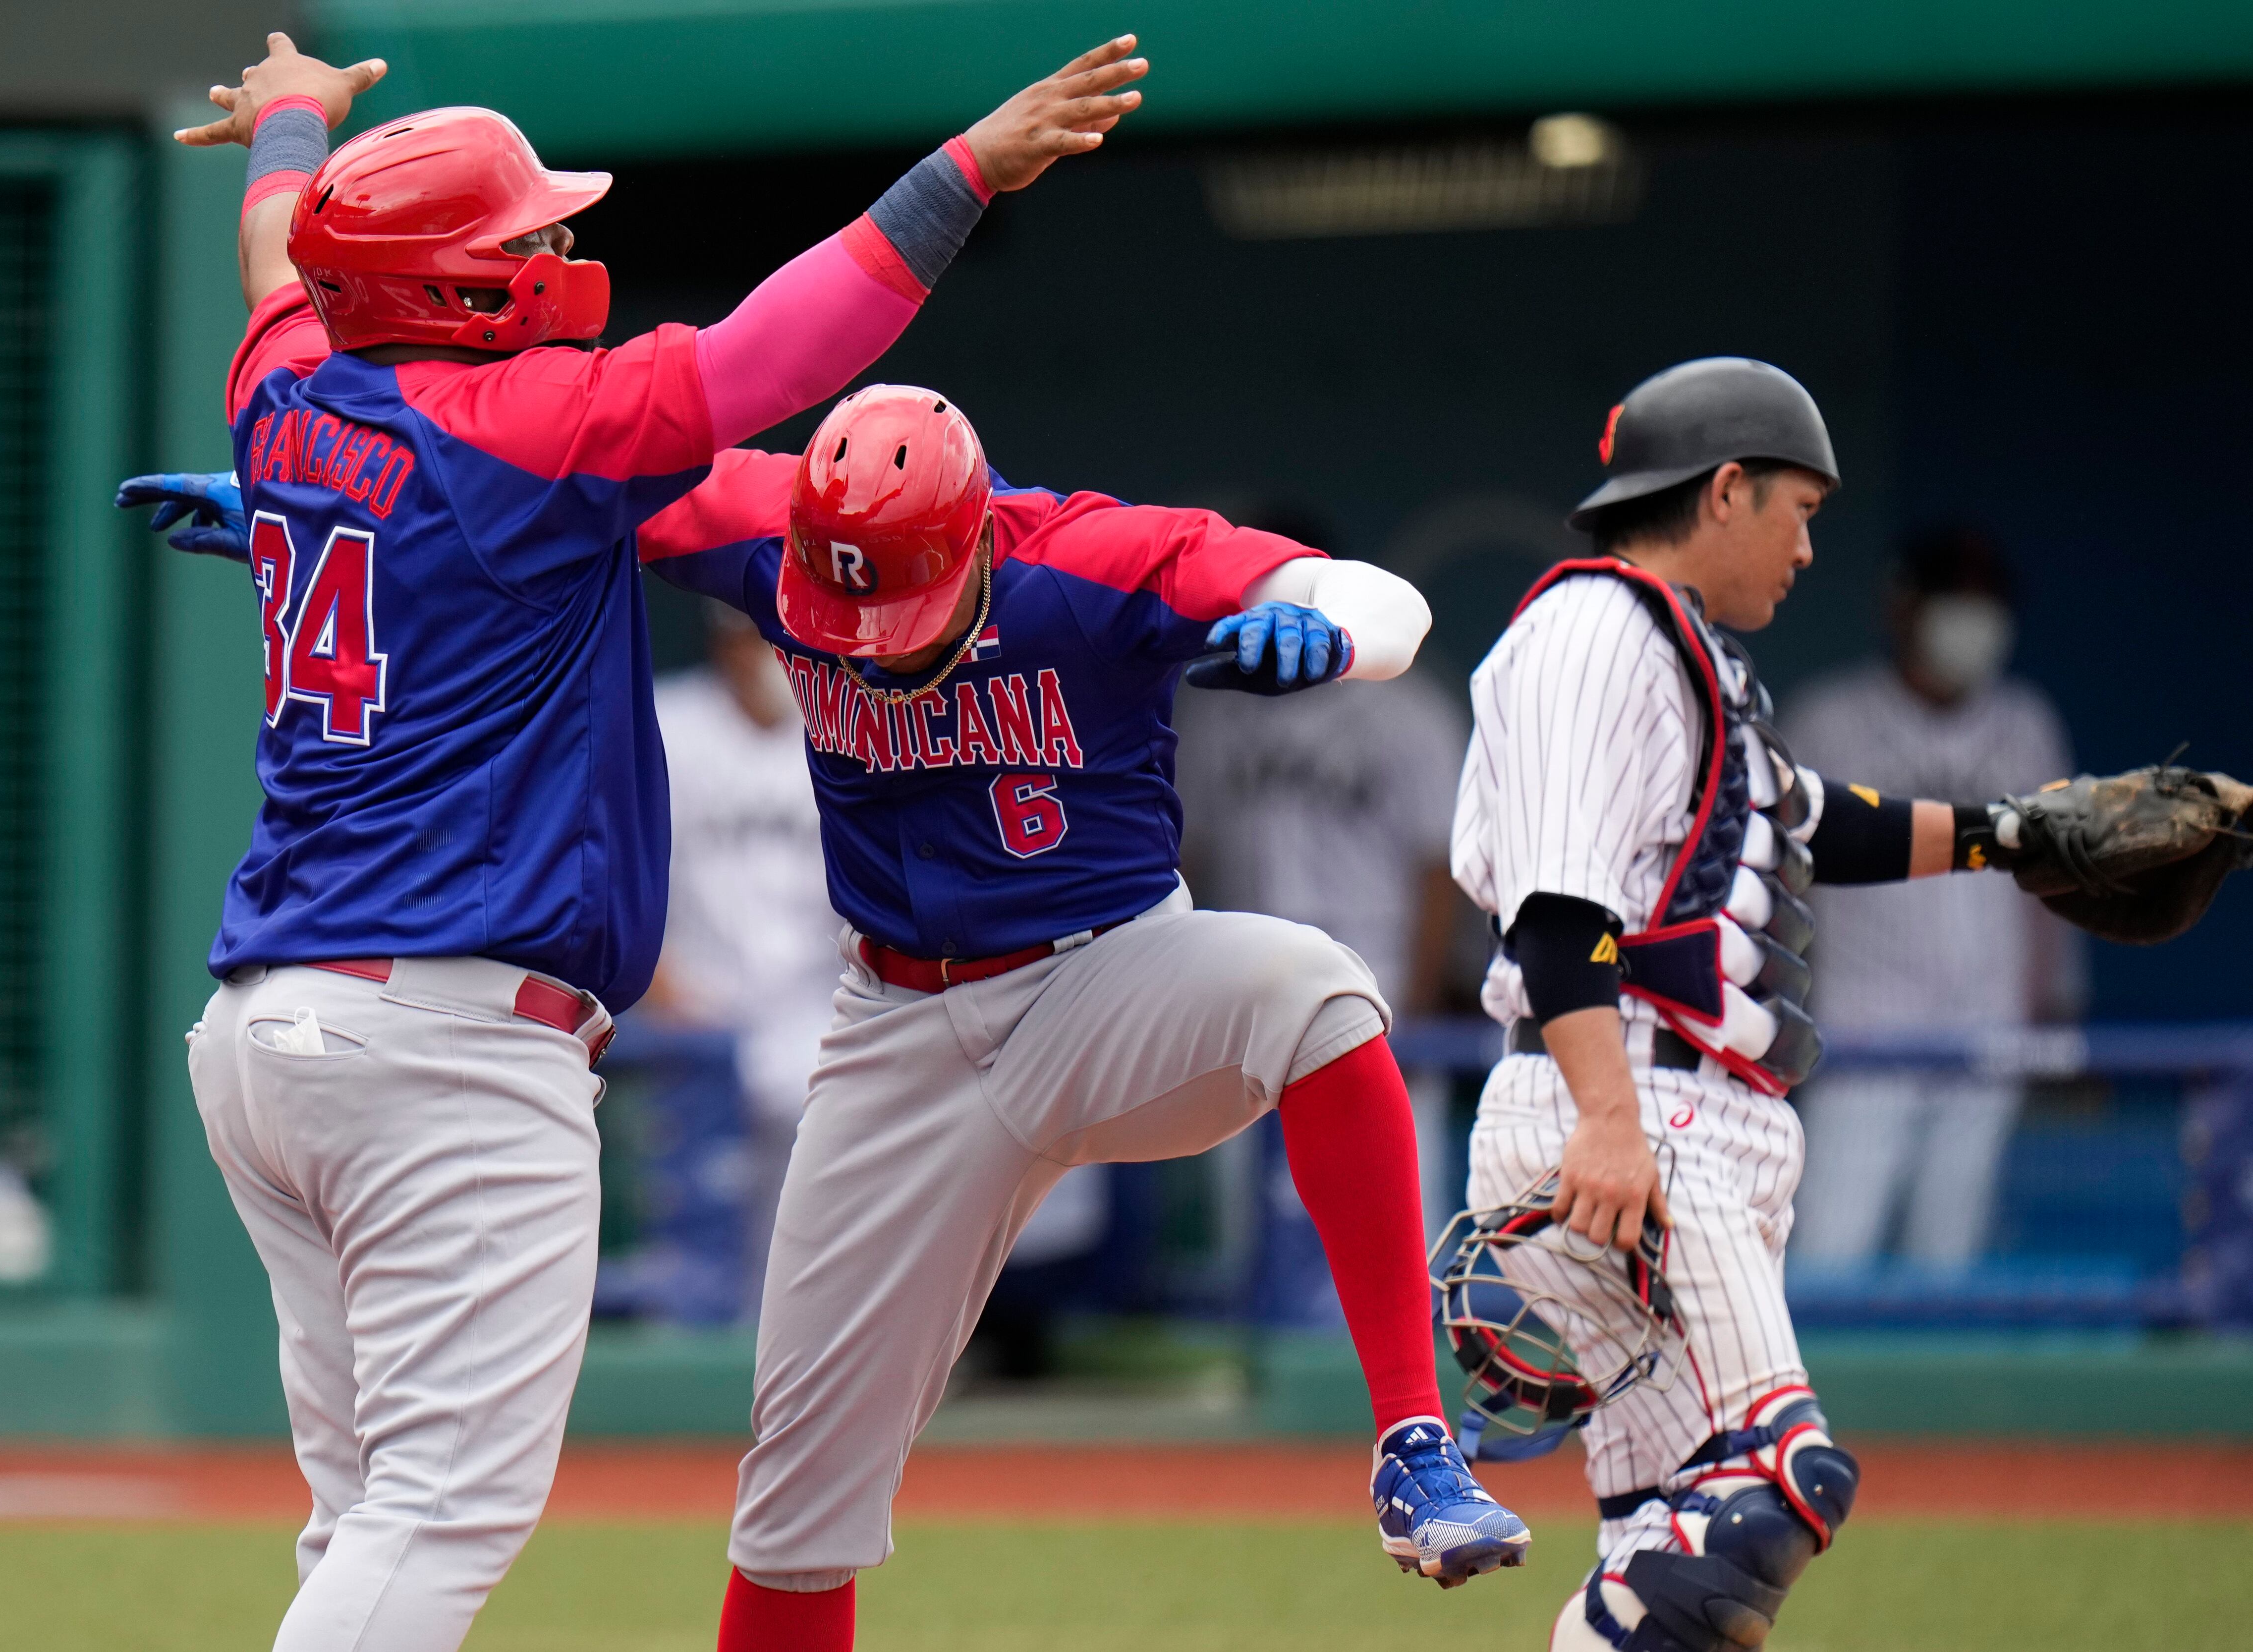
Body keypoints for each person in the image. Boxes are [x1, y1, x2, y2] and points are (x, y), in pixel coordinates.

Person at [121, 32, 1149, 1652]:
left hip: (272, 1028)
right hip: (442, 1041)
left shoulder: (280, 383)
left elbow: (274, 244)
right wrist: (967, 172)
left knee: (367, 1513)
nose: (562, 254)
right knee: (438, 1511)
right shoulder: (539, 424)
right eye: (527, 242)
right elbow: (780, 346)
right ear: (451, 289)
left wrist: (295, 114)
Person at [636, 385, 1530, 1652]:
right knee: (796, 1498)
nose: (875, 635)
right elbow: (541, 471)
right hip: (891, 1027)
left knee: (1314, 991)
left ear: (975, 537)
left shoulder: (1092, 558)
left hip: (1103, 978)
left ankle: (1412, 1442)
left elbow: (1385, 601)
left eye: (900, 594)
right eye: (849, 601)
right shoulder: (771, 530)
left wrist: (1315, 628)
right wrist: (315, 509)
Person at [1450, 357, 2135, 1652]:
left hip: (1677, 1116)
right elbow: (1556, 908)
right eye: (1800, 508)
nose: (1812, 544)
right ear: (1724, 490)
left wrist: (2018, 833)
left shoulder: (1685, 657)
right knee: (1772, 1491)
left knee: (1678, 1550)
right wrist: (1607, 1117)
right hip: (1630, 1110)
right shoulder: (1595, 631)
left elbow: (1817, 818)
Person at [1173, 512, 1474, 1261]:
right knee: (1243, 1217)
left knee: (1387, 1207)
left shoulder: (1409, 709)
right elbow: (1184, 854)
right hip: (1238, 972)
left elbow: (1439, 870)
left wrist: (1423, 1001)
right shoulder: (1211, 705)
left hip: (1376, 975)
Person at [1783, 527, 2083, 1268]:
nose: (1972, 619)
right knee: (1831, 1244)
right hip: (1864, 1021)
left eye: (1985, 602)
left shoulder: (2028, 723)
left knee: (1952, 1252)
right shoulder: (1827, 718)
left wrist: (2058, 1008)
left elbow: (2055, 878)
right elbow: (1776, 877)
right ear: (1903, 607)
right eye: (1955, 599)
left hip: (1989, 1020)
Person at [649, 606, 842, 1294]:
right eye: (746, 636)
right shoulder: (669, 724)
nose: (759, 652)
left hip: (815, 1012)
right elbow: (620, 870)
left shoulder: (841, 728)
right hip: (696, 1011)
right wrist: (657, 983)